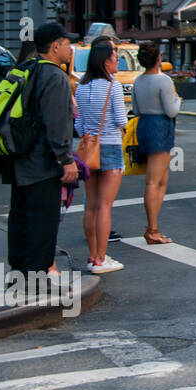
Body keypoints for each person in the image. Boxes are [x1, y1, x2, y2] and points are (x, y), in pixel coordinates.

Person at [3, 23, 79, 284]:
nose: (71, 48)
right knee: (42, 223)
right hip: (42, 165)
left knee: (20, 219)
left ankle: (19, 273)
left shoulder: (25, 69)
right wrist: (66, 160)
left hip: (19, 158)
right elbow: (56, 125)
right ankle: (35, 280)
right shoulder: (55, 76)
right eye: (67, 43)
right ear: (55, 46)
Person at [75, 38, 129, 273]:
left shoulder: (81, 85)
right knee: (106, 206)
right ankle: (101, 258)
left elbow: (77, 123)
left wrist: (89, 131)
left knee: (91, 206)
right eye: (116, 59)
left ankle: (91, 256)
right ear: (106, 62)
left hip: (88, 148)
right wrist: (124, 124)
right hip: (110, 146)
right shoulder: (112, 86)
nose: (118, 62)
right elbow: (120, 119)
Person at [132, 42, 179, 244]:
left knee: (160, 179)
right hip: (161, 126)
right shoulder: (164, 81)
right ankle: (152, 229)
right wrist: (179, 100)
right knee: (154, 181)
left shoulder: (138, 81)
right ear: (158, 59)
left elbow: (135, 109)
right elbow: (171, 110)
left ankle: (153, 227)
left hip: (144, 125)